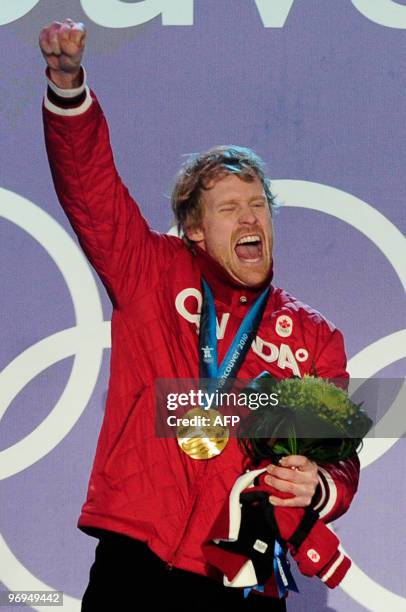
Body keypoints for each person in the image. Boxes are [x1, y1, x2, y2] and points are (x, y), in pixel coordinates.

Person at [39, 19, 360, 611]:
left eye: (258, 205)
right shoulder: (151, 273)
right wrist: (67, 88)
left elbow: (339, 457)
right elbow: (91, 190)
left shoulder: (315, 336)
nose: (249, 220)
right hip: (136, 556)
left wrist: (320, 489)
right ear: (193, 229)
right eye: (230, 208)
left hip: (245, 565)